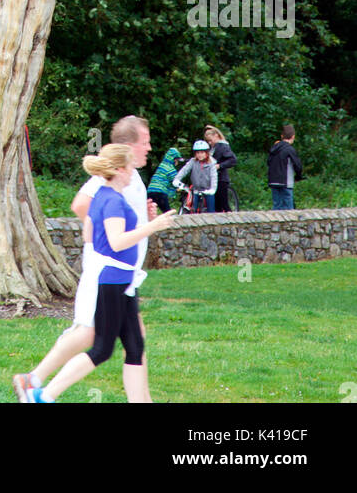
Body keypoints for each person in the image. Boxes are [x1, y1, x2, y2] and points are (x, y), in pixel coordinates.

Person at [13, 115, 159, 403]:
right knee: (92, 337)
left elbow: (115, 214)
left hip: (123, 272)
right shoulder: (111, 174)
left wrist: (142, 216)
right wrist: (102, 242)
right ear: (128, 146)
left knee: (129, 339)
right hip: (107, 270)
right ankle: (36, 385)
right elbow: (81, 205)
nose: (150, 148)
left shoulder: (132, 176)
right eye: (145, 142)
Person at [173, 140, 218, 211]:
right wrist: (177, 179)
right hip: (196, 189)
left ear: (207, 153)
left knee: (211, 210)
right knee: (193, 209)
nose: (200, 155)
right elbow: (184, 170)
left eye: (202, 152)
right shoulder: (193, 161)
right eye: (198, 153)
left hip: (208, 189)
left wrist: (212, 189)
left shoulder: (211, 163)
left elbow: (214, 177)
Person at [268, 124, 302, 209]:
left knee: (277, 206)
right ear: (293, 136)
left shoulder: (274, 149)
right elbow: (298, 165)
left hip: (273, 181)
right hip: (285, 181)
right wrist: (298, 176)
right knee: (288, 209)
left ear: (282, 136)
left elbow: (268, 162)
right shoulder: (289, 149)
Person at [204, 124, 237, 212]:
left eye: (210, 140)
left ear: (216, 136)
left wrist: (219, 166)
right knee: (216, 206)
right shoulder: (213, 148)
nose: (209, 143)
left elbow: (232, 160)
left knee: (224, 204)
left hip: (221, 179)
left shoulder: (223, 146)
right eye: (208, 141)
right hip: (213, 179)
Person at [147, 146, 184, 214]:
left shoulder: (162, 165)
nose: (177, 163)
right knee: (167, 212)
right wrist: (181, 187)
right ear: (174, 159)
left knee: (149, 212)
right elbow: (175, 182)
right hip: (160, 192)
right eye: (177, 160)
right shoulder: (171, 169)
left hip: (150, 191)